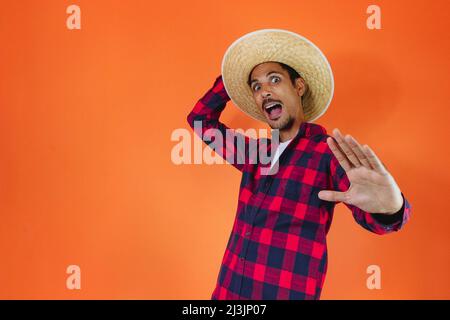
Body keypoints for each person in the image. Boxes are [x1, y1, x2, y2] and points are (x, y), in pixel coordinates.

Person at [187, 29, 411, 300]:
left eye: (274, 80)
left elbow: (375, 215)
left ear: (299, 87)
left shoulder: (328, 153)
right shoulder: (256, 153)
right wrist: (232, 77)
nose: (264, 92)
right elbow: (200, 119)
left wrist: (391, 209)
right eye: (256, 87)